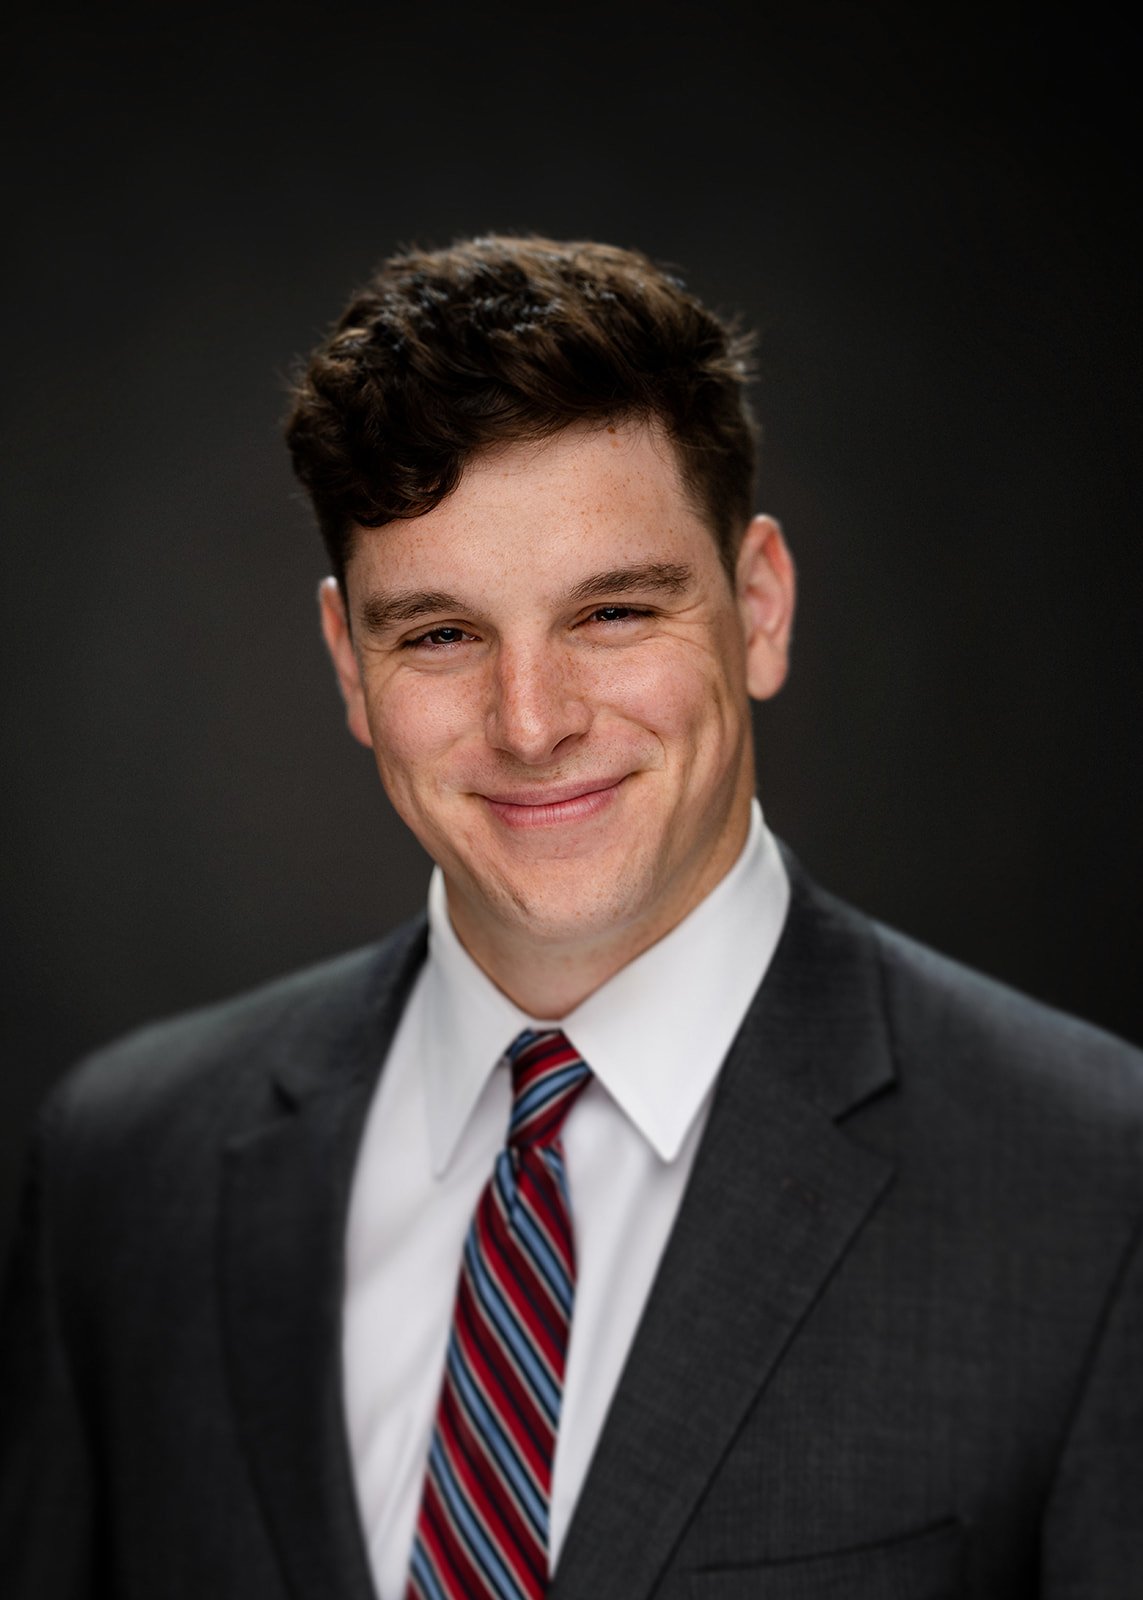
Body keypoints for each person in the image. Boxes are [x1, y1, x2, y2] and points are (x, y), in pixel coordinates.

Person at [1, 235, 1140, 1600]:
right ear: (347, 667)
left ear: (759, 607)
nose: (531, 723)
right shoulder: (126, 1170)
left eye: (611, 611)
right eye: (437, 633)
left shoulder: (1095, 1188)